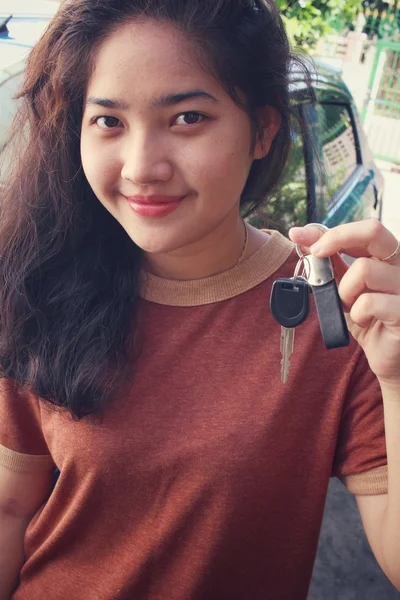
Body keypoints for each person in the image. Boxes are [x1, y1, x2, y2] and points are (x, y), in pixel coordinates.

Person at [0, 0, 399, 598]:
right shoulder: (40, 280)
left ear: (263, 130)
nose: (141, 168)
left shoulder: (336, 307)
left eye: (187, 118)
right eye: (109, 121)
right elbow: (10, 506)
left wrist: (397, 381)